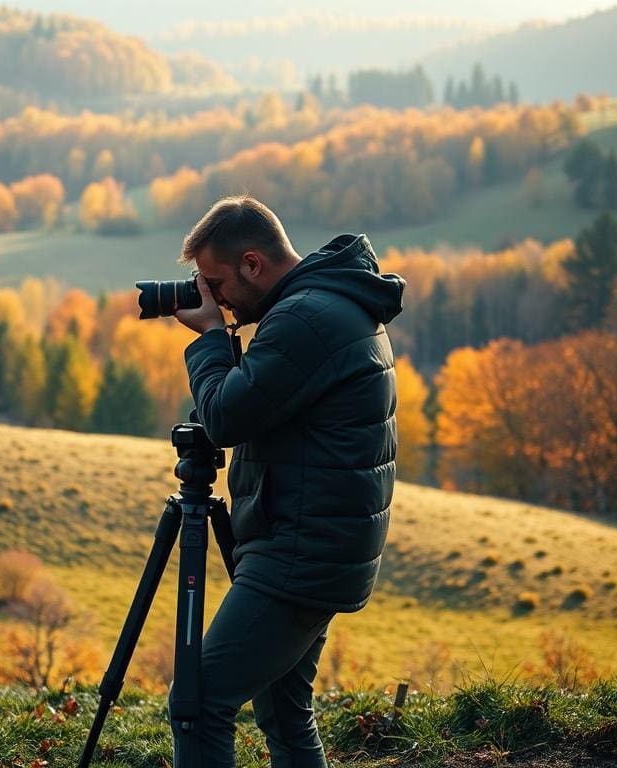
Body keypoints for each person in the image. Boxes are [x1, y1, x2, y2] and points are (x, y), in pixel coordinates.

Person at [169, 195, 405, 768]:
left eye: (215, 281)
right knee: (282, 711)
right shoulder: (324, 304)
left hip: (300, 552)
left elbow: (224, 417)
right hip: (314, 543)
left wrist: (206, 341)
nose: (214, 298)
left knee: (197, 702)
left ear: (253, 263)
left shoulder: (305, 319)